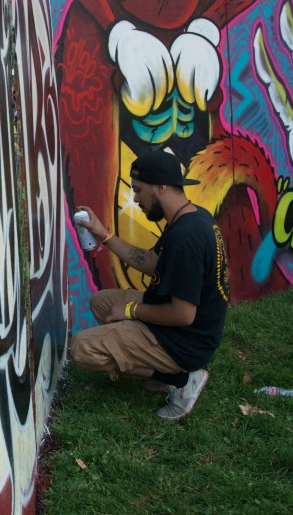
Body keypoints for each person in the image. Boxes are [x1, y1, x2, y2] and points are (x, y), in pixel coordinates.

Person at [70, 149, 229, 421]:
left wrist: (130, 311)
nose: (135, 198)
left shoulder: (186, 238)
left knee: (81, 348)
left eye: (139, 190)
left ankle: (180, 378)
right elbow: (151, 262)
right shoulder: (189, 217)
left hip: (187, 341)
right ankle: (162, 365)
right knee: (101, 302)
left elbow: (183, 314)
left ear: (161, 187)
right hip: (183, 326)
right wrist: (103, 234)